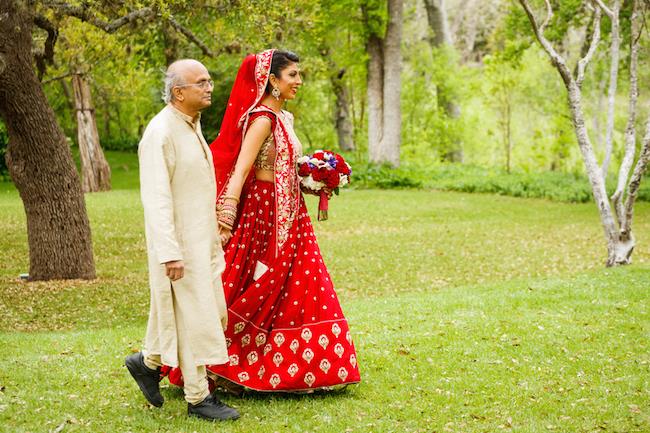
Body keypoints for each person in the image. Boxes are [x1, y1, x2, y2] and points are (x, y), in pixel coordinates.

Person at [165, 49, 361, 392]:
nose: (298, 81)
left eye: (299, 75)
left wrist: (315, 179)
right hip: (264, 216)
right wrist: (227, 213)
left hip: (292, 213)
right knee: (252, 283)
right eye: (292, 75)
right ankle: (217, 361)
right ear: (272, 80)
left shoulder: (285, 118)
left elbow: (283, 165)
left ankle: (306, 366)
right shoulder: (262, 119)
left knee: (299, 284)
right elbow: (243, 169)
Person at [125, 59, 240, 421]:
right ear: (179, 92)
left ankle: (147, 362)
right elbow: (156, 200)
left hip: (199, 243)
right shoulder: (160, 132)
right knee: (192, 317)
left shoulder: (190, 126)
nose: (209, 87)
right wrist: (171, 253)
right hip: (178, 249)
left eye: (209, 80)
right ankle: (198, 397)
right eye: (201, 82)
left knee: (184, 313)